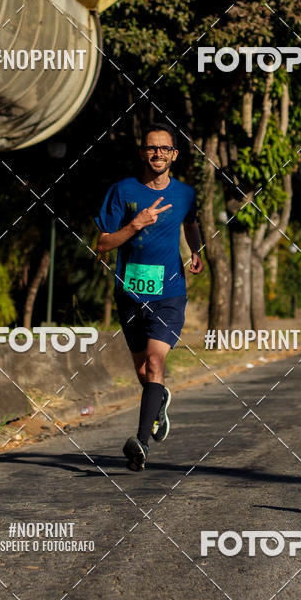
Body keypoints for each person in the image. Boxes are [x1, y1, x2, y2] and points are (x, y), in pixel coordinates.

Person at [95, 123, 203, 471]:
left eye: (165, 149)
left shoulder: (185, 193)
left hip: (169, 293)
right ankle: (159, 401)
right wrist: (135, 224)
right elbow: (102, 244)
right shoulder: (123, 190)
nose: (158, 154)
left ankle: (140, 442)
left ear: (174, 154)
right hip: (130, 294)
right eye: (151, 148)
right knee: (143, 370)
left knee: (156, 362)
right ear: (143, 153)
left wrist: (197, 251)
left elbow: (191, 222)